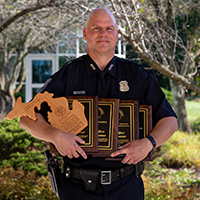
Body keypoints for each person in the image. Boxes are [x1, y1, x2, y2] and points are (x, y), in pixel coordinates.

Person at [19, 7, 178, 200]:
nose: (104, 34)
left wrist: (148, 143)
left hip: (126, 187)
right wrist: (55, 136)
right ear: (85, 34)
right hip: (77, 189)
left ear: (117, 35)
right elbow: (26, 117)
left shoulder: (137, 76)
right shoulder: (68, 76)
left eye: (109, 28)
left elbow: (170, 120)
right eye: (96, 28)